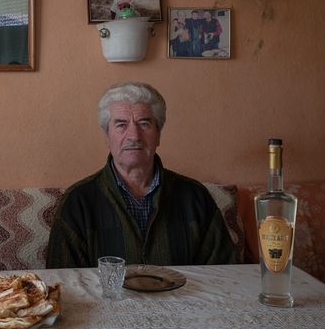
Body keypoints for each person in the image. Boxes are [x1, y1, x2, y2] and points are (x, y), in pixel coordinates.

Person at [46, 82, 235, 268]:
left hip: (185, 299)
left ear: (158, 134)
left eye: (144, 124)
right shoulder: (78, 202)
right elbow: (63, 282)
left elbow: (226, 275)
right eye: (121, 125)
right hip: (104, 300)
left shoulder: (195, 197)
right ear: (106, 135)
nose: (134, 136)